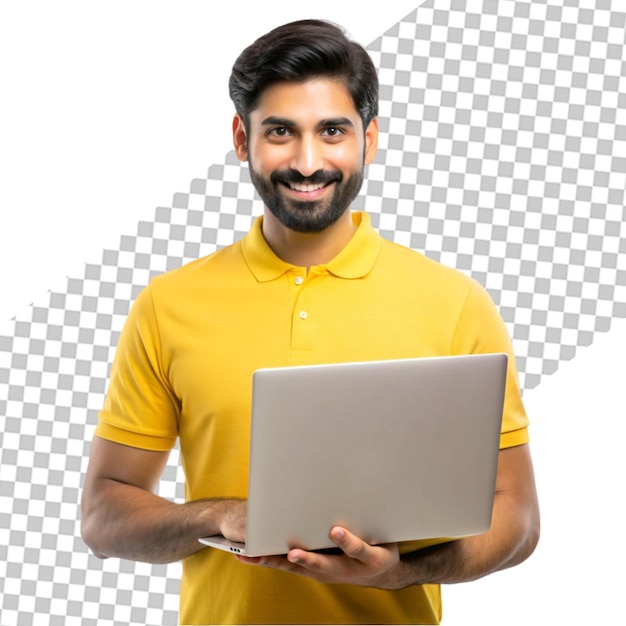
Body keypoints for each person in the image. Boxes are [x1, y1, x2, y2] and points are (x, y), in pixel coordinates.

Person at [81, 18, 540, 625]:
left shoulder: (453, 303)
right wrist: (216, 517)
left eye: (332, 131)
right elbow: (103, 515)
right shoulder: (168, 306)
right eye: (280, 131)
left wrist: (401, 570)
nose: (306, 160)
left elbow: (519, 518)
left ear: (368, 140)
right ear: (242, 139)